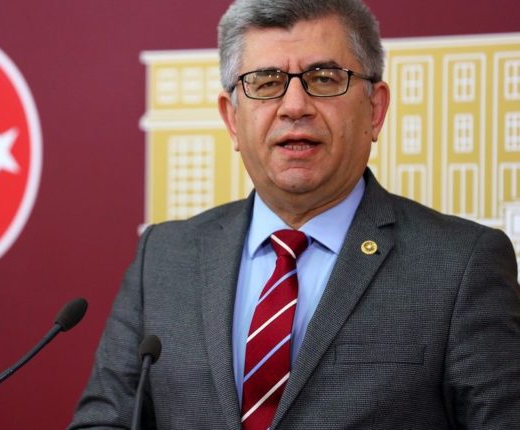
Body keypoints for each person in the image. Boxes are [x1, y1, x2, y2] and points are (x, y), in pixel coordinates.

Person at [69, 0, 520, 428]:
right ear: (232, 119)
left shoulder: (460, 265)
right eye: (266, 83)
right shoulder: (164, 259)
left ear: (375, 109)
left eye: (323, 79)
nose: (295, 106)